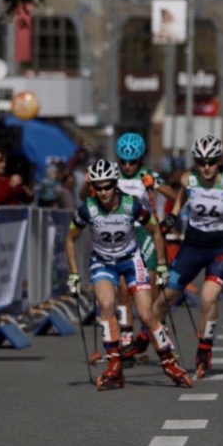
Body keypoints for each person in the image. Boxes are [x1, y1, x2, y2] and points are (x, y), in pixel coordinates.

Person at [64, 159, 191, 390]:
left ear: (115, 184)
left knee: (146, 314)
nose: (103, 192)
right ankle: (114, 364)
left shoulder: (131, 205)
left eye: (107, 186)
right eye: (98, 187)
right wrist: (74, 273)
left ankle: (169, 361)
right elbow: (70, 238)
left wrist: (162, 264)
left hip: (131, 260)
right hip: (103, 262)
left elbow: (155, 230)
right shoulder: (88, 208)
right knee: (106, 304)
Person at [152, 135, 223, 379]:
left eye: (211, 162)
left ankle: (204, 348)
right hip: (192, 247)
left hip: (221, 249)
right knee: (162, 301)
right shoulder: (188, 179)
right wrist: (173, 215)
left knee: (208, 299)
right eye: (201, 162)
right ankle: (156, 342)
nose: (206, 167)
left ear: (219, 161)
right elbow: (182, 194)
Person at [113, 132, 180, 363]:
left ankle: (157, 336)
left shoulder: (147, 174)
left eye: (132, 161)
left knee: (150, 290)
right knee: (124, 289)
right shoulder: (113, 174)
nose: (127, 166)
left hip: (145, 233)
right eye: (123, 161)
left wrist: (156, 185)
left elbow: (175, 195)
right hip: (122, 234)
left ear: (140, 159)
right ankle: (125, 341)